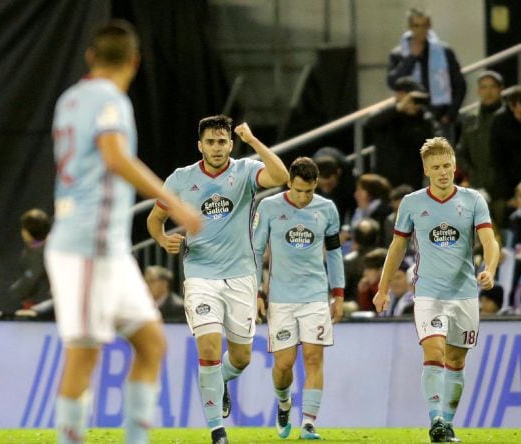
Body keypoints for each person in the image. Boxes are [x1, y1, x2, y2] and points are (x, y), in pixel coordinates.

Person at [45, 20, 201, 444]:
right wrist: (177, 206)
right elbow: (115, 155)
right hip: (86, 246)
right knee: (84, 353)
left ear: (90, 56)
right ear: (135, 60)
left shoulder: (69, 99)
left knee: (151, 343)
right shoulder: (111, 99)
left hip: (107, 248)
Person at [147, 114, 288, 444]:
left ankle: (222, 381)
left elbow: (281, 175)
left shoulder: (245, 172)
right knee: (208, 347)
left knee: (241, 358)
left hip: (241, 275)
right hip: (200, 275)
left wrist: (253, 141)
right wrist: (161, 238)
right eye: (210, 141)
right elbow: (155, 220)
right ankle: (217, 431)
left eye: (222, 141)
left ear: (230, 144)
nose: (216, 147)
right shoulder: (181, 179)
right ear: (200, 145)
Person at [372, 137, 499, 443]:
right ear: (426, 170)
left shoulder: (472, 201)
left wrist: (490, 270)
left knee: (456, 361)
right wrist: (383, 287)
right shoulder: (413, 203)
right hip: (428, 292)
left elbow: (489, 241)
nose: (442, 172)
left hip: (465, 293)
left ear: (455, 166)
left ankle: (448, 423)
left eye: (446, 166)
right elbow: (398, 246)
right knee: (433, 350)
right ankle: (436, 420)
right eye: (435, 167)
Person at [251, 157, 344, 440]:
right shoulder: (269, 207)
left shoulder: (326, 209)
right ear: (289, 182)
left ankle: (308, 423)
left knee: (314, 358)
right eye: (299, 190)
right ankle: (283, 403)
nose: (304, 197)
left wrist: (338, 293)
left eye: (309, 191)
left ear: (316, 185)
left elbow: (334, 253)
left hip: (315, 295)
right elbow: (256, 252)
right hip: (281, 298)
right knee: (283, 365)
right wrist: (257, 292)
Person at [386, 8, 466, 141]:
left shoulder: (444, 52)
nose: (420, 30)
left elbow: (459, 84)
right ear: (410, 27)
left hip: (440, 117)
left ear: (429, 27)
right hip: (409, 118)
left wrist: (450, 115)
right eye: (416, 26)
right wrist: (411, 58)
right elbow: (393, 83)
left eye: (424, 25)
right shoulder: (398, 54)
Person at [367, 77, 441, 190]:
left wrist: (417, 115)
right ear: (400, 95)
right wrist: (399, 108)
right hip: (386, 178)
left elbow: (435, 142)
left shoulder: (424, 119)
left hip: (411, 178)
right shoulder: (388, 114)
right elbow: (372, 123)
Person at [456, 70, 504, 198]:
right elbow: (460, 153)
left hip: (505, 188)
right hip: (478, 188)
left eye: (493, 87)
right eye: (484, 87)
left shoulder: (509, 118)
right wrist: (471, 174)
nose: (488, 92)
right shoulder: (471, 120)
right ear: (478, 91)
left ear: (501, 89)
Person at [9, 208, 52, 310]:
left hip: (38, 306)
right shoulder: (48, 248)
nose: (22, 232)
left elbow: (32, 277)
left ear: (30, 231)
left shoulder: (37, 253)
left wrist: (15, 291)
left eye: (24, 229)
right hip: (46, 304)